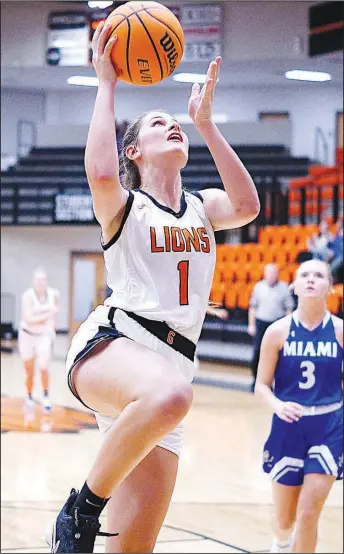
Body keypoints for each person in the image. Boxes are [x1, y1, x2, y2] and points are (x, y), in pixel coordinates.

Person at [46, 22, 260, 554]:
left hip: (171, 371)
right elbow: (99, 175)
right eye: (159, 124)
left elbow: (249, 206)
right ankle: (80, 510)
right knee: (172, 394)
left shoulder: (203, 207)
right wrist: (106, 83)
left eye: (176, 124)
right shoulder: (126, 206)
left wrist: (206, 124)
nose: (173, 127)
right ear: (134, 151)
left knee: (133, 548)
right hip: (114, 346)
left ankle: (88, 521)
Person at [255, 260, 343, 553]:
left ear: (329, 287)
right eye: (304, 275)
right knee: (285, 521)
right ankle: (281, 544)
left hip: (329, 427)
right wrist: (278, 406)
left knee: (308, 513)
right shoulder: (277, 332)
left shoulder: (341, 331)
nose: (311, 280)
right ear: (293, 286)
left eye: (319, 276)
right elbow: (261, 386)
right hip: (288, 427)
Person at [18, 268, 60, 411]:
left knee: (44, 367)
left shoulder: (54, 294)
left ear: (46, 281)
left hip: (43, 336)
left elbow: (56, 313)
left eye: (43, 280)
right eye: (38, 280)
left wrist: (51, 323)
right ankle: (29, 395)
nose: (41, 282)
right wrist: (47, 315)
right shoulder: (27, 296)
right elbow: (29, 319)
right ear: (33, 282)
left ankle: (46, 396)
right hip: (27, 335)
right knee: (29, 370)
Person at [248, 264, 294, 391]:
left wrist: (287, 326)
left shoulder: (284, 288)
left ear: (277, 274)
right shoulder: (258, 287)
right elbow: (253, 307)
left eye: (274, 273)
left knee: (280, 354)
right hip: (261, 322)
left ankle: (277, 382)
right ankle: (256, 381)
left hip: (277, 323)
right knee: (257, 352)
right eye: (269, 273)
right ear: (265, 274)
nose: (272, 275)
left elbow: (289, 308)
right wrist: (251, 325)